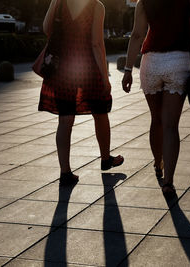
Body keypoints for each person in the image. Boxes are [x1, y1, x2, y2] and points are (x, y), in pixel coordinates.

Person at [121, 0, 190, 196]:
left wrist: (128, 70)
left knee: (156, 120)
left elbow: (137, 35)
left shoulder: (144, 2)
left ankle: (157, 163)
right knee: (170, 126)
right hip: (177, 62)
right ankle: (168, 182)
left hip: (151, 63)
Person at [39, 0, 123, 185]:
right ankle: (105, 158)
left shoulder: (59, 2)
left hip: (62, 68)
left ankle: (65, 172)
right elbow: (96, 43)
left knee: (65, 119)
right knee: (100, 112)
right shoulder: (96, 6)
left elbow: (46, 28)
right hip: (87, 67)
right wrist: (105, 77)